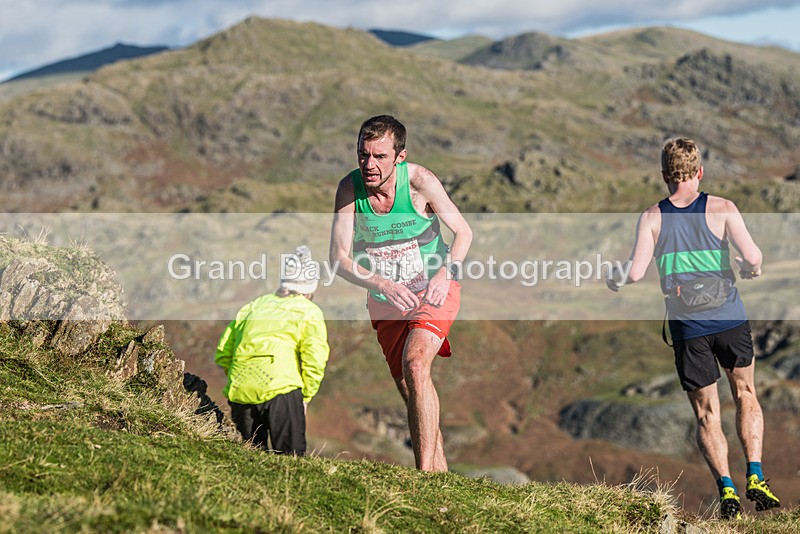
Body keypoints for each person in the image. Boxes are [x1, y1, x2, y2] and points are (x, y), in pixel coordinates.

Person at [607, 138, 780, 519]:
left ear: (665, 175)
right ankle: (756, 473)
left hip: (688, 327)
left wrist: (613, 277)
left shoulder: (652, 217)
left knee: (706, 414)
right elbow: (752, 257)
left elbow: (635, 272)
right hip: (729, 317)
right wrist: (751, 268)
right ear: (699, 172)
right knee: (746, 392)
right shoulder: (722, 208)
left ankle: (727, 488)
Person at [329, 115, 472, 472]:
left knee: (416, 362)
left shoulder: (421, 183)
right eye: (363, 154)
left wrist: (445, 273)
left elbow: (464, 233)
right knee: (410, 387)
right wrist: (381, 284)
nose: (369, 165)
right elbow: (339, 258)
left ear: (400, 157)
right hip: (387, 300)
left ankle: (423, 476)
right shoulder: (350, 190)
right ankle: (440, 474)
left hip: (433, 289)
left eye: (379, 157)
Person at [215, 245, 330, 456]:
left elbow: (223, 352)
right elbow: (315, 358)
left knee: (246, 460)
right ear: (309, 289)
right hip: (282, 390)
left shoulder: (254, 306)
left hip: (241, 391)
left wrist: (240, 378)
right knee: (290, 462)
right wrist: (306, 396)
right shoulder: (309, 311)